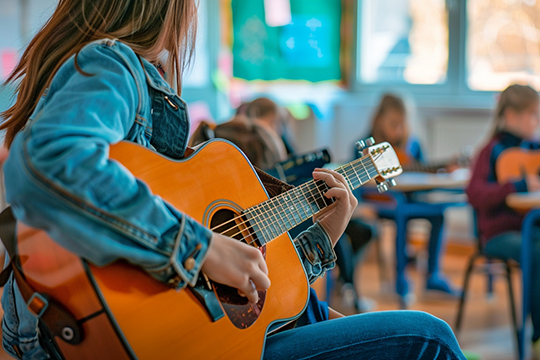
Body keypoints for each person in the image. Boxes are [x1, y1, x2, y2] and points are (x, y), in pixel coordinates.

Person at [0, 1, 466, 359]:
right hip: (104, 335)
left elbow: (229, 305)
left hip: (151, 334)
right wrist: (201, 248)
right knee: (432, 339)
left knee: (326, 316)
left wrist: (321, 237)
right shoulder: (114, 63)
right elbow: (51, 160)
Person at [359, 93, 461, 296]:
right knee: (401, 214)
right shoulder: (366, 145)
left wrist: (439, 171)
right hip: (383, 202)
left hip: (410, 200)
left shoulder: (413, 145)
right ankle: (400, 278)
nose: (398, 130)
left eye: (402, 124)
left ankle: (433, 275)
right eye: (393, 124)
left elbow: (423, 175)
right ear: (379, 120)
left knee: (438, 215)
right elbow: (361, 180)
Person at [466, 84, 540, 359]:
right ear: (510, 115)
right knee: (537, 252)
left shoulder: (534, 147)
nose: (537, 120)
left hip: (531, 228)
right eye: (532, 114)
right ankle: (537, 336)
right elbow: (475, 194)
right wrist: (516, 185)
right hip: (499, 234)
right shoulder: (491, 151)